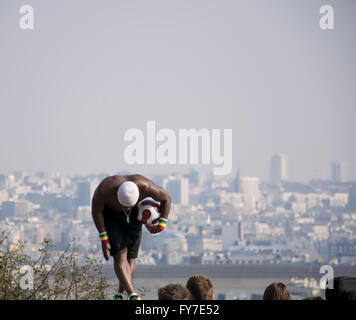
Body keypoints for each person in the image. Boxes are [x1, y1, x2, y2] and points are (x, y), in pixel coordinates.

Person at [91, 174, 171, 300]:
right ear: (116, 195)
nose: (126, 208)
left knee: (131, 257)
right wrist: (104, 238)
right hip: (112, 217)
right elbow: (96, 211)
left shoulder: (146, 186)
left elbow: (166, 198)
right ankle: (133, 295)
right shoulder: (105, 189)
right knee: (119, 255)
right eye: (124, 205)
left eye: (129, 205)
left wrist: (161, 225)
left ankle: (120, 293)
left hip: (135, 215)